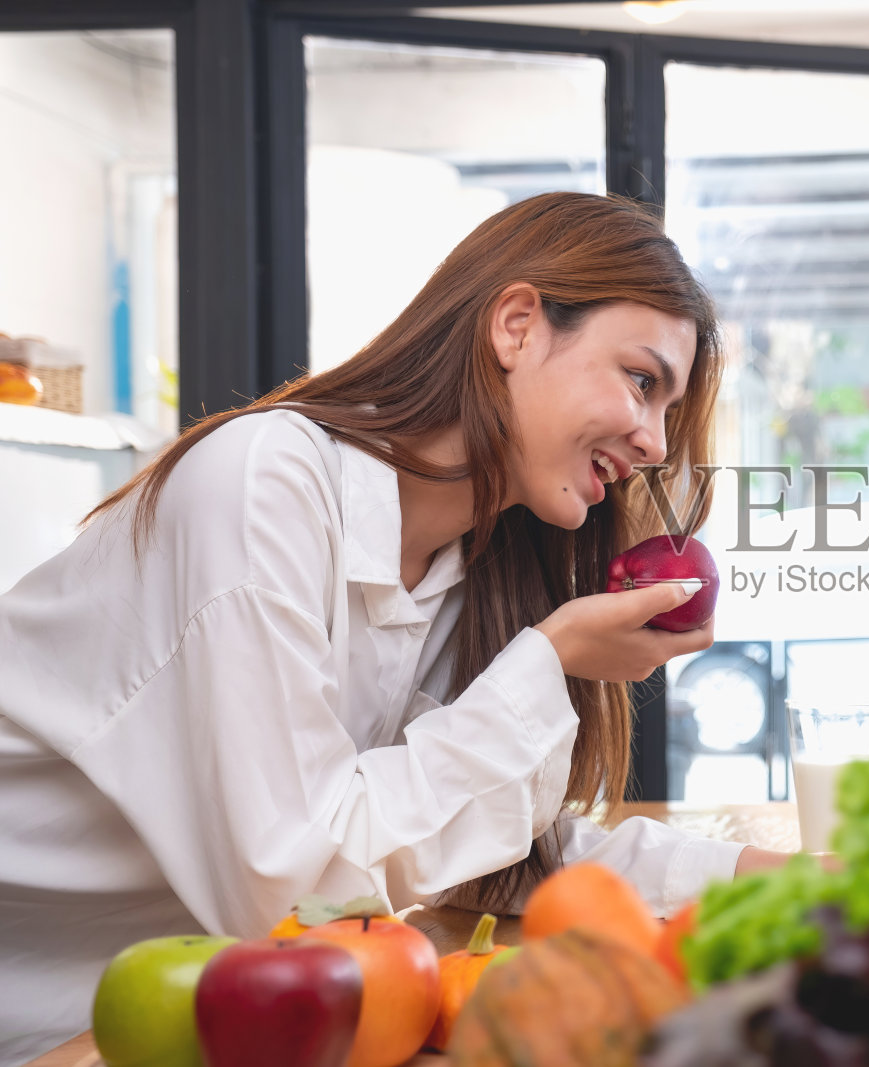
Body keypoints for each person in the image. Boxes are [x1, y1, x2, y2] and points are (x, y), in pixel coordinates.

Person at [0, 191, 791, 1065]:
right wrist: (548, 658)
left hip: (159, 1017)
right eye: (642, 381)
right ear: (518, 326)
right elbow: (291, 893)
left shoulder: (470, 561)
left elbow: (490, 844)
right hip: (43, 1019)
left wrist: (759, 878)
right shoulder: (264, 485)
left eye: (668, 409)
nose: (655, 442)